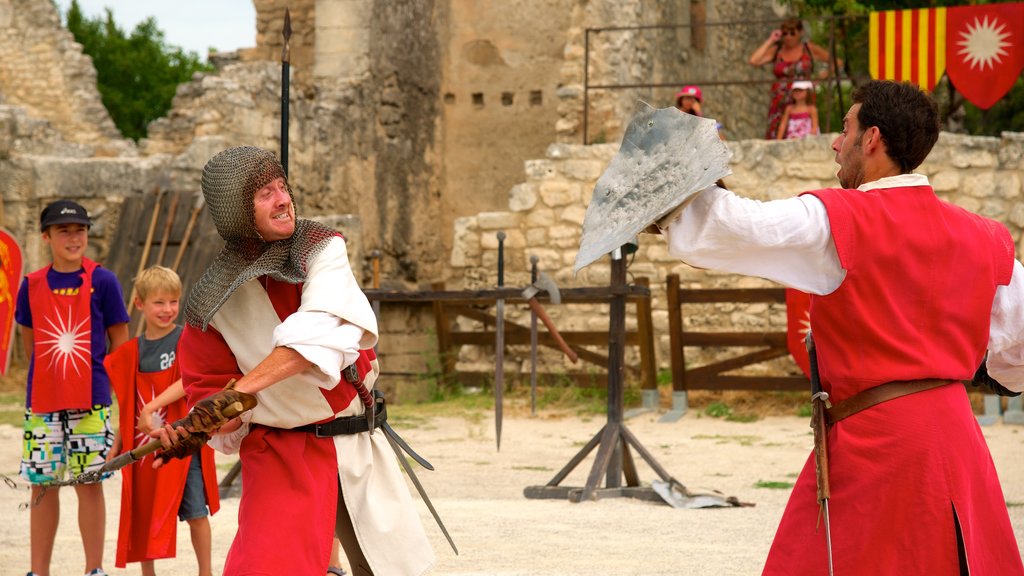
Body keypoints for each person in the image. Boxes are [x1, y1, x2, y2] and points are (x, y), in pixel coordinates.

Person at [652, 80, 1024, 574]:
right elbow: (1017, 347)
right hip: (957, 442)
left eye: (844, 128)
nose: (834, 142)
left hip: (878, 445)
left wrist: (671, 169)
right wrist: (973, 368)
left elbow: (734, 226)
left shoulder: (840, 219)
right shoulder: (986, 237)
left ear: (870, 139)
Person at [155, 145, 435, 575]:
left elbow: (314, 336)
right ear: (235, 212)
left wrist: (237, 394)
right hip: (281, 452)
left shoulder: (321, 249)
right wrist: (196, 426)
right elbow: (214, 398)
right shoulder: (211, 304)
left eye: (282, 186)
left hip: (355, 442)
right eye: (264, 193)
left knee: (387, 568)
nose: (283, 199)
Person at [17, 200, 131, 576]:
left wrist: (110, 396)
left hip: (92, 401)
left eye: (80, 229)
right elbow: (31, 341)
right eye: (64, 230)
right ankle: (39, 570)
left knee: (89, 484)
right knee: (42, 486)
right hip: (43, 403)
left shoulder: (104, 281)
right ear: (46, 236)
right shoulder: (30, 285)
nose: (74, 237)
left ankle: (93, 569)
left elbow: (120, 344)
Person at [104, 266, 219, 576]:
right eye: (159, 302)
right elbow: (129, 405)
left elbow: (189, 380)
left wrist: (152, 406)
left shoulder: (187, 339)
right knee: (144, 509)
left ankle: (205, 573)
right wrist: (119, 441)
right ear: (139, 304)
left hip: (185, 440)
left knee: (196, 512)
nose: (168, 310)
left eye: (173, 301)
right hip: (147, 446)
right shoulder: (133, 351)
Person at [747, 18, 834, 140]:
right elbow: (753, 60)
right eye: (785, 33)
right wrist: (771, 40)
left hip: (802, 97)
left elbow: (836, 63)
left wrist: (817, 80)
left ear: (800, 32)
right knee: (777, 130)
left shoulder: (808, 48)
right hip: (780, 100)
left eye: (792, 33)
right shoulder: (777, 50)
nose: (788, 37)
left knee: (803, 129)